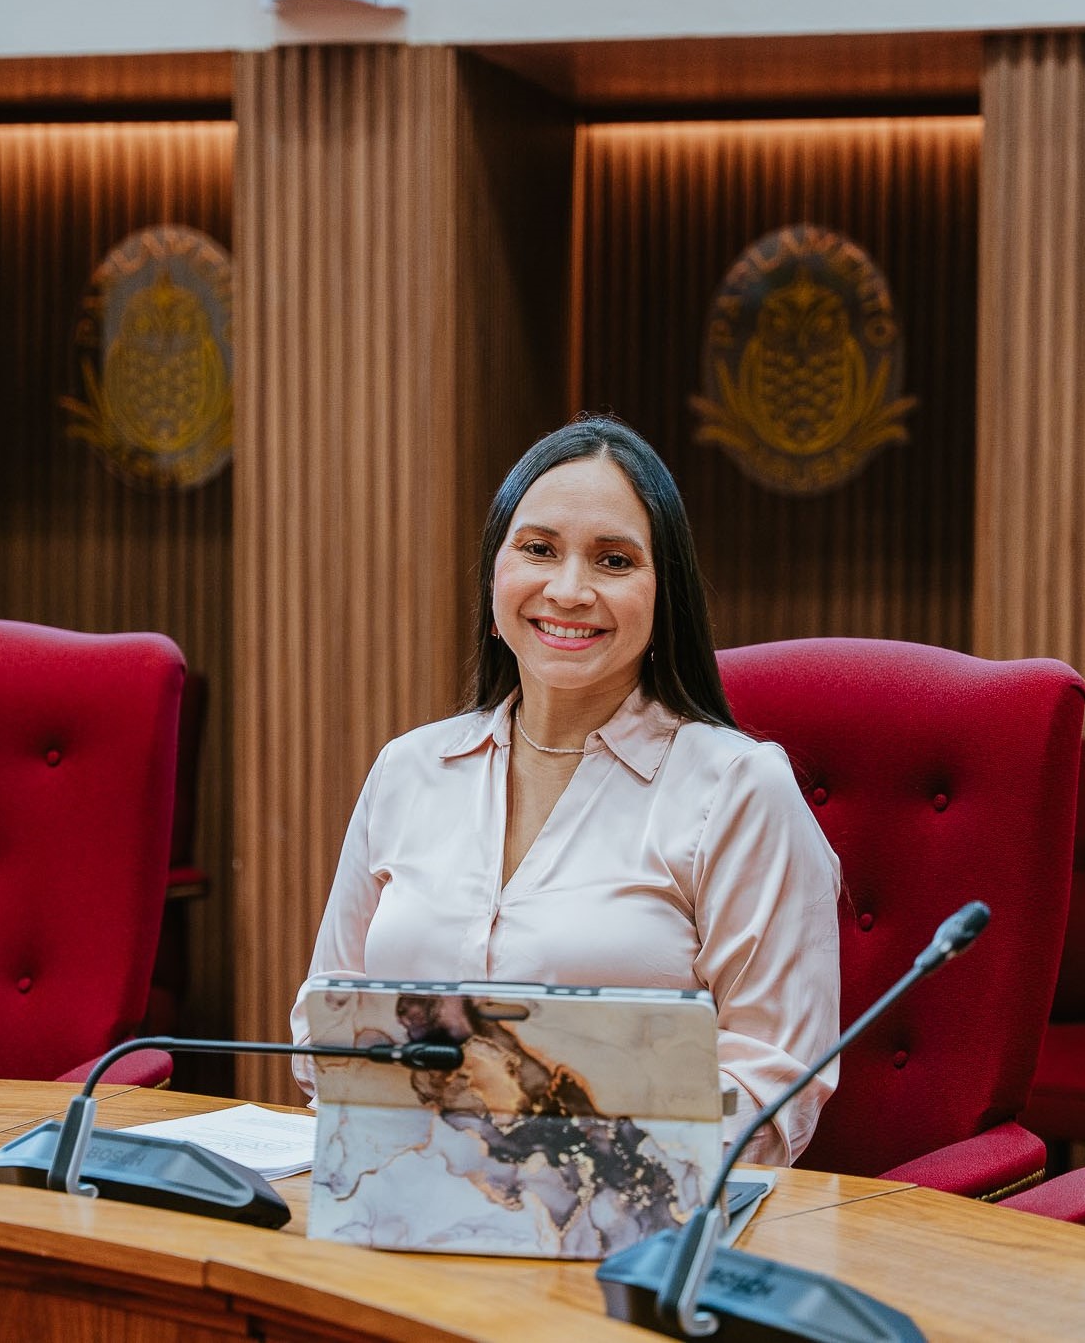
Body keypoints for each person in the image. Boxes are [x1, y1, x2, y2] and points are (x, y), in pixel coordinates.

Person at [290, 415, 840, 1165]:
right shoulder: (406, 770)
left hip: (626, 1235)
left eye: (613, 560)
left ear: (663, 593)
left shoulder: (740, 790)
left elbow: (774, 1082)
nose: (570, 588)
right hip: (396, 1202)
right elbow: (328, 1013)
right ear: (495, 577)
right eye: (539, 549)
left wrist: (580, 1166)